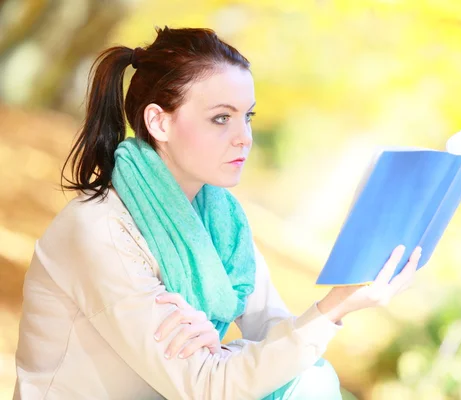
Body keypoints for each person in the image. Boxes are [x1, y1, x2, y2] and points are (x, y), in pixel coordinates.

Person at [13, 27, 421, 400]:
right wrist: (333, 308)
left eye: (248, 117)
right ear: (159, 121)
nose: (244, 138)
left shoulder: (220, 221)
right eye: (221, 118)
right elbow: (208, 385)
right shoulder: (99, 229)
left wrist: (225, 349)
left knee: (312, 381)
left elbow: (276, 334)